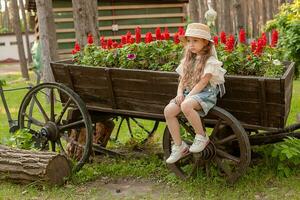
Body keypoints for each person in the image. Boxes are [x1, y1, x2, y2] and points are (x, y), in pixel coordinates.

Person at [164, 23, 226, 164]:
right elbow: (182, 80)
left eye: (195, 41)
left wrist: (189, 96)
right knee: (169, 110)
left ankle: (202, 136)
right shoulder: (188, 60)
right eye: (189, 41)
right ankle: (179, 146)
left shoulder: (210, 61)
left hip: (204, 94)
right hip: (187, 93)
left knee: (186, 105)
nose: (191, 44)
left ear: (205, 43)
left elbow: (203, 83)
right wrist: (180, 94)